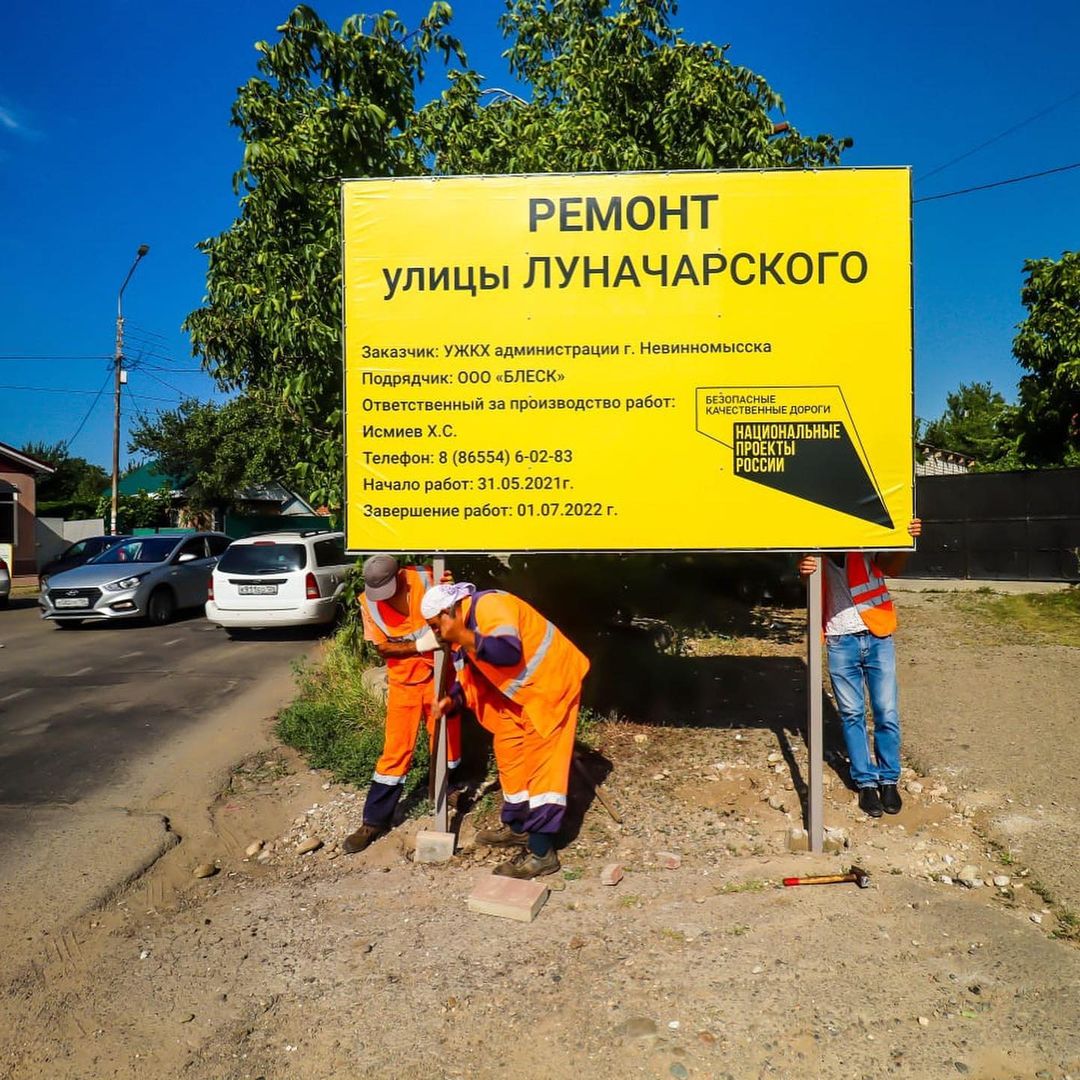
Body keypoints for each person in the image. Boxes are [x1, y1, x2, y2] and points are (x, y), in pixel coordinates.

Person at [421, 582, 590, 879]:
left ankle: (541, 854)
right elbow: (469, 678)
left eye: (436, 625)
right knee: (510, 758)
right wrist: (452, 700)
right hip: (520, 698)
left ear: (449, 612)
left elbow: (507, 652)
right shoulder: (463, 633)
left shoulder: (490, 606)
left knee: (542, 773)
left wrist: (462, 635)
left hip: (550, 689)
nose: (437, 633)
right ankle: (519, 828)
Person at [798, 519, 922, 818]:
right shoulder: (814, 547)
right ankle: (866, 783)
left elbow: (892, 568)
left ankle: (889, 780)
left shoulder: (863, 537)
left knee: (886, 712)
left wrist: (907, 540)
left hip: (878, 636)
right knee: (852, 714)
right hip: (840, 641)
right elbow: (807, 583)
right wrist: (803, 572)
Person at [342, 555, 460, 854]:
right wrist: (420, 646)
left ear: (400, 576)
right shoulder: (368, 602)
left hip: (441, 678)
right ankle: (374, 820)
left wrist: (450, 589)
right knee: (395, 751)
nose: (384, 597)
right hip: (405, 683)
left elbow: (456, 612)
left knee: (447, 742)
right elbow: (382, 646)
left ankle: (450, 792)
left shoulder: (425, 578)